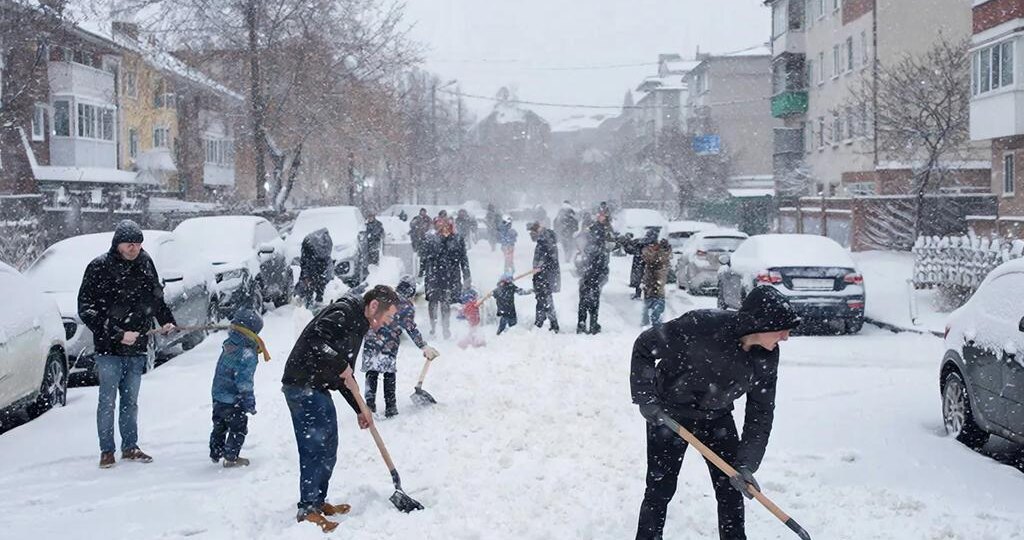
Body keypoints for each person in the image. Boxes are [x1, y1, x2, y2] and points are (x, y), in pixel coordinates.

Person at [631, 286, 801, 540]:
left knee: (732, 488)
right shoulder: (700, 326)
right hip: (669, 414)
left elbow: (761, 411)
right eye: (781, 330)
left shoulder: (766, 357)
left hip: (716, 417)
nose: (786, 337)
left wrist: (746, 463)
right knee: (660, 488)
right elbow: (644, 346)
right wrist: (646, 398)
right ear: (760, 324)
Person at [281, 285, 401, 532]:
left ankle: (318, 500)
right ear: (374, 306)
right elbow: (316, 339)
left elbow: (346, 376)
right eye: (388, 317)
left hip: (317, 386)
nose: (387, 323)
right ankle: (307, 509)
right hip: (301, 384)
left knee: (328, 444)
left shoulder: (359, 326)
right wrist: (338, 363)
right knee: (314, 445)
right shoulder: (344, 313)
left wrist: (360, 409)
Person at [78, 220, 176, 469]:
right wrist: (118, 334)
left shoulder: (145, 263)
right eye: (129, 244)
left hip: (137, 346)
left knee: (130, 401)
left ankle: (130, 447)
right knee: (107, 400)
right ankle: (107, 451)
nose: (134, 249)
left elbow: (156, 298)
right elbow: (87, 309)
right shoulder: (99, 267)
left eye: (138, 244)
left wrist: (166, 321)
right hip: (109, 348)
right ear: (118, 244)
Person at [361, 277, 439, 418]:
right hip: (388, 345)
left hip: (371, 341)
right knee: (388, 375)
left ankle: (369, 406)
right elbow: (410, 328)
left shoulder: (381, 298)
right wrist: (423, 346)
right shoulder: (405, 305)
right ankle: (391, 407)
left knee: (371, 373)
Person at [209, 309, 263, 468]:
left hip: (218, 395)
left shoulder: (229, 344)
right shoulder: (247, 351)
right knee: (238, 427)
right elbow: (244, 380)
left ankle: (216, 452)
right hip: (234, 399)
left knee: (219, 425)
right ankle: (231, 457)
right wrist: (248, 401)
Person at [422, 217, 472, 339]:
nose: (444, 229)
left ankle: (445, 327)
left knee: (445, 301)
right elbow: (425, 257)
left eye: (447, 227)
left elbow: (463, 259)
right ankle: (433, 326)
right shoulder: (431, 240)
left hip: (450, 276)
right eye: (441, 227)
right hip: (434, 275)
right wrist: (422, 272)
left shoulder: (458, 239)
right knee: (433, 301)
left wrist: (467, 275)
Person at [577, 212, 612, 334]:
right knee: (594, 302)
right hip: (595, 278)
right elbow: (604, 266)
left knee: (583, 301)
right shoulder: (602, 251)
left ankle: (581, 324)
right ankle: (592, 325)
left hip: (587, 277)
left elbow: (579, 263)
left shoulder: (587, 248)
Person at [528, 221, 560, 333]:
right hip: (541, 276)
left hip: (545, 276)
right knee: (542, 299)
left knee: (545, 299)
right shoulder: (543, 241)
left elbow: (551, 258)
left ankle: (544, 323)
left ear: (536, 231)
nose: (530, 235)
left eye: (531, 232)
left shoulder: (546, 241)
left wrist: (541, 266)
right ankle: (546, 322)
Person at [296, 228, 333, 308]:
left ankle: (309, 302)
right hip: (319, 262)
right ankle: (315, 300)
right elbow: (327, 259)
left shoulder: (310, 242)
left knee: (311, 281)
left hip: (315, 260)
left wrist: (306, 276)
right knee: (318, 280)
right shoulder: (327, 240)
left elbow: (304, 262)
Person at [641, 239, 672, 326]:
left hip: (659, 281)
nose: (653, 247)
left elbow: (665, 259)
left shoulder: (662, 253)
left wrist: (665, 249)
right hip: (649, 282)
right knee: (648, 302)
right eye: (651, 245)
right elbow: (650, 258)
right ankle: (646, 321)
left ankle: (656, 323)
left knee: (658, 301)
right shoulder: (647, 252)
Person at [626, 229, 659, 300]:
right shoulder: (656, 244)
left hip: (641, 263)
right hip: (649, 264)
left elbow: (631, 250)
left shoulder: (640, 242)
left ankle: (639, 294)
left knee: (640, 278)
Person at [410, 208, 432, 276]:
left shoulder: (428, 219)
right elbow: (411, 225)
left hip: (425, 239)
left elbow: (431, 227)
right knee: (419, 256)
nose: (423, 213)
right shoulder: (416, 218)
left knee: (424, 256)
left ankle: (423, 271)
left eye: (424, 212)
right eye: (422, 212)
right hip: (417, 239)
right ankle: (420, 271)